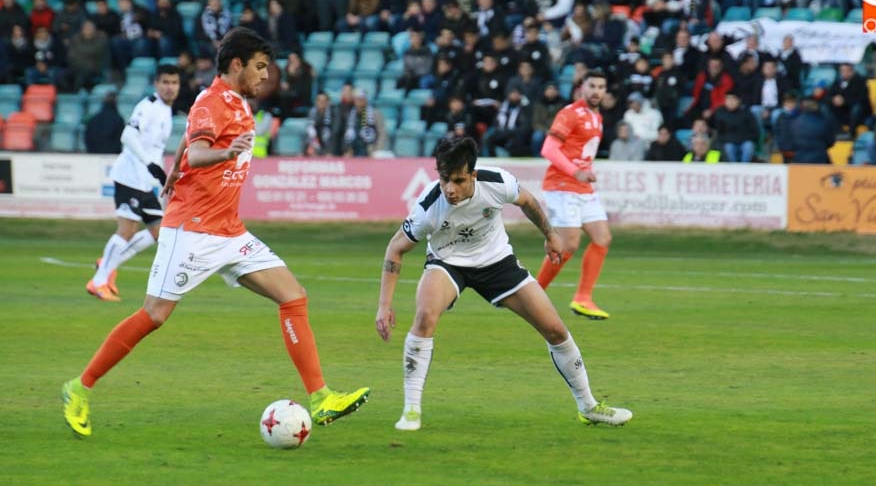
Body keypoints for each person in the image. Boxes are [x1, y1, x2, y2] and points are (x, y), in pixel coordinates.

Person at [62, 28, 370, 439]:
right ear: (237, 64)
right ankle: (79, 388)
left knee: (293, 296)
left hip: (229, 230)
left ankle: (321, 397)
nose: (266, 75)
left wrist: (174, 171)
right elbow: (199, 149)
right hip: (193, 231)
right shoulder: (213, 101)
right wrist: (223, 153)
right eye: (260, 67)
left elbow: (187, 140)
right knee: (154, 315)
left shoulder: (231, 102)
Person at [374, 137, 633, 431]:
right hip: (448, 263)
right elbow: (395, 248)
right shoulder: (429, 206)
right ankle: (411, 410)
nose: (450, 189)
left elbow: (528, 202)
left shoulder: (497, 183)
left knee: (555, 329)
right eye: (445, 179)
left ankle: (588, 406)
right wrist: (384, 306)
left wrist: (550, 235)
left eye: (458, 180)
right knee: (425, 317)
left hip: (497, 261)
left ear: (473, 175)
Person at [85, 65, 181, 302]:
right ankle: (98, 281)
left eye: (174, 83)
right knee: (127, 230)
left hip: (145, 183)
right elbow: (127, 136)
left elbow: (154, 148)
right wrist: (149, 164)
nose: (170, 87)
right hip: (129, 177)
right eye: (165, 82)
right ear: (156, 84)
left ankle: (107, 263)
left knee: (160, 232)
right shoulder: (147, 106)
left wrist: (160, 174)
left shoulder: (166, 111)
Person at [535, 70, 612, 320]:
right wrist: (575, 171)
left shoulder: (597, 116)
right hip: (561, 185)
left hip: (582, 187)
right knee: (569, 244)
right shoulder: (569, 113)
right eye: (592, 86)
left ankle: (583, 298)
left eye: (601, 87)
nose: (597, 91)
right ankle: (533, 293)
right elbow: (548, 149)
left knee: (602, 238)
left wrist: (584, 172)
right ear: (581, 88)